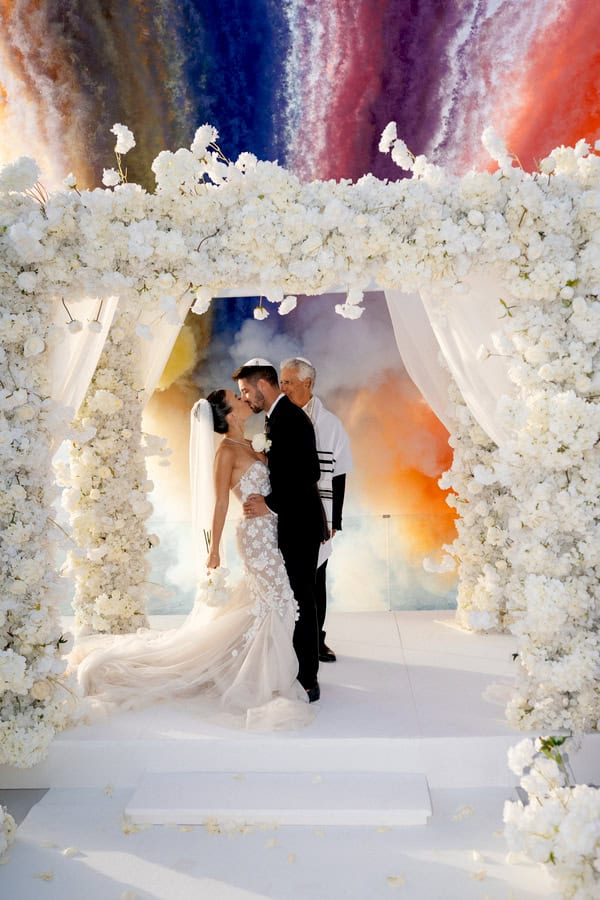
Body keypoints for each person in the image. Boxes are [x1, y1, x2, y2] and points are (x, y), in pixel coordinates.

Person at [73, 388, 313, 731]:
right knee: (279, 605)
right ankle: (262, 683)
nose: (247, 400)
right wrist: (214, 549)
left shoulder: (254, 443)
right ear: (229, 415)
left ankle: (249, 671)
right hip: (256, 539)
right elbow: (219, 504)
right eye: (238, 398)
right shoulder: (226, 452)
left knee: (269, 606)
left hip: (273, 533)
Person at [233, 359, 327, 703]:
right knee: (294, 598)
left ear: (263, 385)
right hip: (290, 523)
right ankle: (291, 669)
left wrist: (269, 504)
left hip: (299, 525)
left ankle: (307, 679)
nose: (246, 398)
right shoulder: (277, 416)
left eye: (247, 391)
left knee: (302, 598)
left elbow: (308, 475)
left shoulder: (290, 418)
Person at [280, 358, 353, 663]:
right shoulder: (279, 418)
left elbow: (339, 473)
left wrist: (333, 520)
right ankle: (288, 637)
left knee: (316, 577)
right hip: (285, 510)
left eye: (288, 382)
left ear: (307, 383)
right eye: (281, 381)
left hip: (317, 512)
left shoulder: (330, 424)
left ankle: (317, 639)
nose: (282, 388)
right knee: (289, 577)